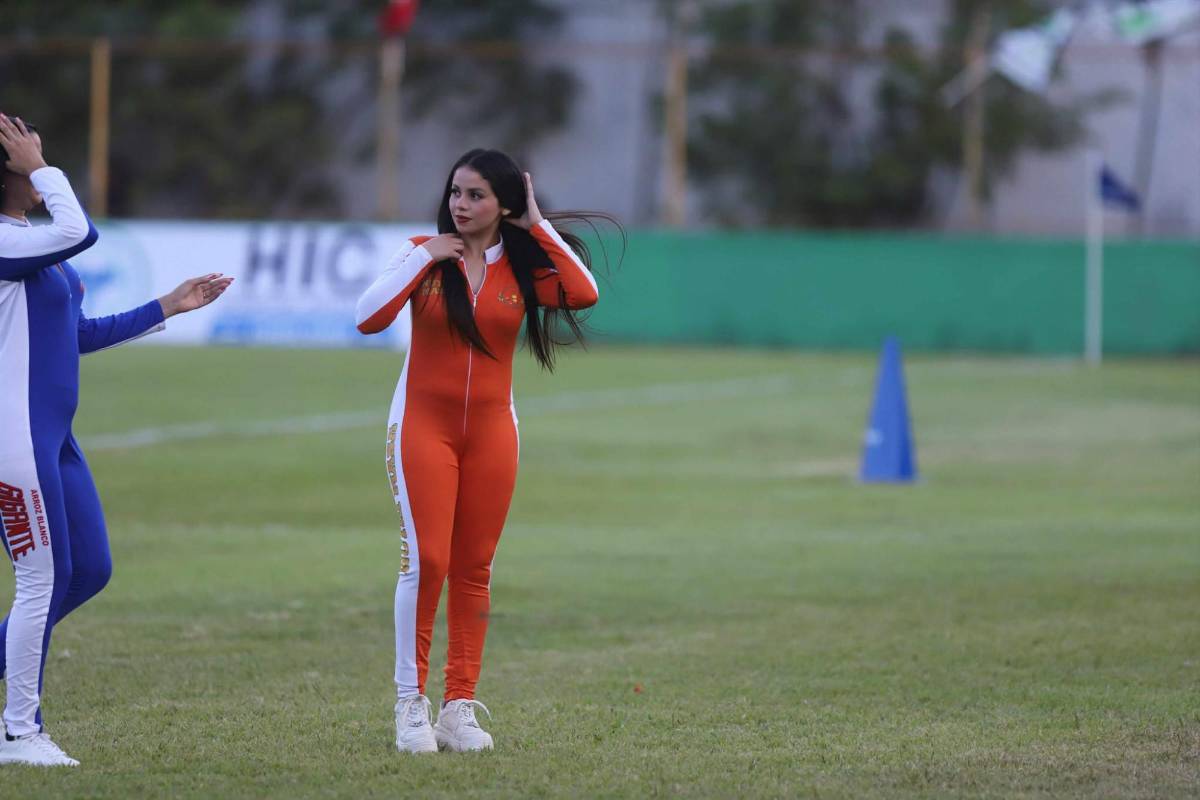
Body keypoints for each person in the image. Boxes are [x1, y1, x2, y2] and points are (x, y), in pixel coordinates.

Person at [356, 148, 610, 753]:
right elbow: (367, 318)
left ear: (504, 205)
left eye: (476, 196)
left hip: (495, 432)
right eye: (455, 193)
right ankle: (409, 706)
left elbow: (584, 292)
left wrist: (538, 226)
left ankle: (458, 707)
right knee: (428, 564)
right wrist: (423, 256)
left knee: (475, 569)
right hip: (422, 426)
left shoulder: (521, 267)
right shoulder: (424, 253)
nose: (461, 206)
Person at [0, 113, 233, 767]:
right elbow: (81, 229)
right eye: (23, 155)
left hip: (54, 438)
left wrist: (169, 306)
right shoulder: (4, 242)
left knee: (89, 570)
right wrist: (46, 169)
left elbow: (75, 336)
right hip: (13, 439)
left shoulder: (28, 243)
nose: (37, 158)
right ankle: (19, 733)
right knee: (40, 581)